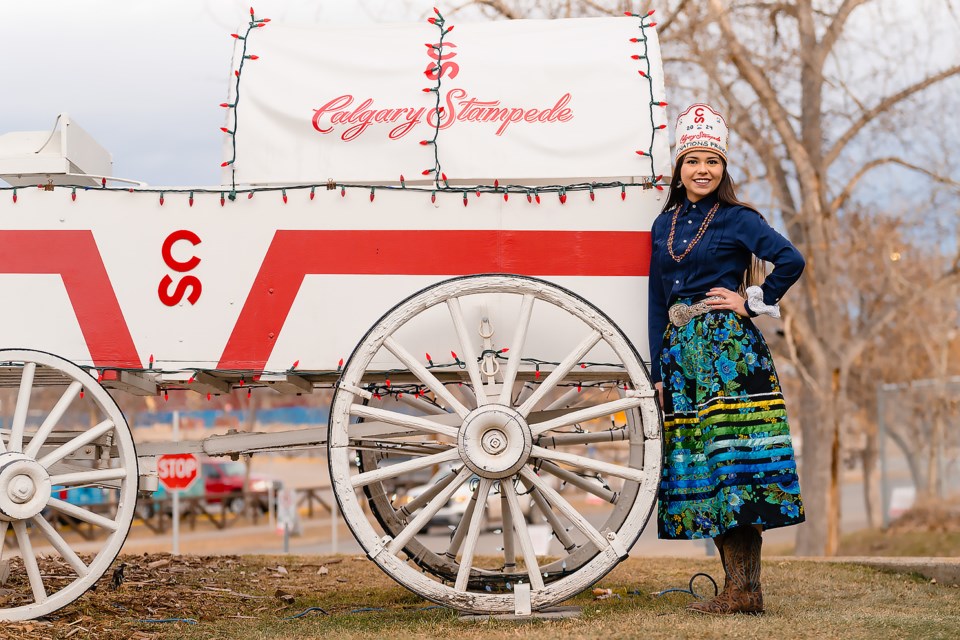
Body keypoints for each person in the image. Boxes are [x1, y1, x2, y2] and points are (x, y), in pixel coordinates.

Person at [647, 103, 806, 615]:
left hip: (728, 357)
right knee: (706, 471)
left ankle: (746, 591)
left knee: (737, 468)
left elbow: (791, 259)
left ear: (723, 168)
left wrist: (751, 301)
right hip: (681, 358)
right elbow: (656, 301)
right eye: (693, 160)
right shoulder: (663, 224)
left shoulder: (739, 219)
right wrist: (657, 371)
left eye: (711, 161)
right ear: (679, 167)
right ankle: (738, 590)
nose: (702, 170)